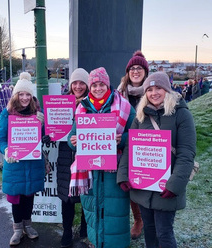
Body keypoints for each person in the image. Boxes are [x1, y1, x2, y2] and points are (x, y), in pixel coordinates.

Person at [117, 72, 196, 248]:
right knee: (150, 232)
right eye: (150, 89)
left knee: (164, 232)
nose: (154, 93)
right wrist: (123, 175)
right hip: (143, 186)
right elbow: (130, 148)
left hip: (166, 186)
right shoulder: (141, 116)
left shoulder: (181, 115)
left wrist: (174, 185)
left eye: (158, 88)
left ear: (167, 89)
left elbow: (186, 153)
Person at [68, 67, 136, 248]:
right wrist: (72, 141)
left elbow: (137, 135)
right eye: (94, 85)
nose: (98, 88)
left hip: (115, 173)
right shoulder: (82, 108)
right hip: (90, 172)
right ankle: (96, 243)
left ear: (107, 85)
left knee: (116, 216)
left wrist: (122, 140)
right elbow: (71, 135)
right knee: (93, 215)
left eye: (101, 85)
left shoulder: (125, 107)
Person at [0, 72, 45, 246]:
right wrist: (6, 149)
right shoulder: (7, 113)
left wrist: (42, 124)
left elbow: (44, 138)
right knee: (16, 198)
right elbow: (0, 138)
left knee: (29, 196)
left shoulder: (38, 112)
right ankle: (17, 229)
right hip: (14, 163)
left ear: (32, 96)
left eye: (28, 94)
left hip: (32, 163)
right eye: (21, 94)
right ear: (16, 95)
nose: (24, 98)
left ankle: (28, 225)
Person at [55, 68, 89, 247]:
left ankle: (85, 228)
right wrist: (49, 133)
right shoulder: (61, 103)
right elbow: (56, 126)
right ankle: (67, 231)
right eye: (74, 83)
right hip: (65, 154)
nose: (78, 86)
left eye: (82, 82)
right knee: (66, 195)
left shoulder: (93, 103)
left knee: (85, 192)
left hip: (86, 152)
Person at [117, 50, 149, 239]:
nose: (136, 71)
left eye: (139, 68)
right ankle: (138, 219)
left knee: (146, 183)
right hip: (124, 146)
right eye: (132, 68)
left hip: (147, 145)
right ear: (127, 72)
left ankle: (145, 219)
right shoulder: (119, 92)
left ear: (145, 71)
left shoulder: (152, 91)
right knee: (130, 184)